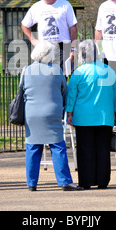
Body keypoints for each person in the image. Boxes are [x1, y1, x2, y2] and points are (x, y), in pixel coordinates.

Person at [23, 41, 82, 191]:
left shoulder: (27, 70)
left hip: (31, 113)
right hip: (51, 113)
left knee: (32, 147)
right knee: (57, 146)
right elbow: (64, 90)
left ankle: (31, 183)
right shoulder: (56, 70)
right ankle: (64, 181)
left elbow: (22, 90)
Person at [66, 40, 116, 189]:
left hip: (84, 117)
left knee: (85, 150)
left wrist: (69, 113)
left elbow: (71, 96)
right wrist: (115, 112)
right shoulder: (109, 70)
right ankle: (102, 181)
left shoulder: (79, 72)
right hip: (105, 117)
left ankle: (86, 181)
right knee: (103, 149)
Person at [21, 0, 78, 74]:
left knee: (60, 77)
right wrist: (33, 40)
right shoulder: (36, 7)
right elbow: (24, 25)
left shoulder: (65, 5)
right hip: (45, 48)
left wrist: (73, 49)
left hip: (62, 47)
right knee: (45, 77)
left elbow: (73, 28)